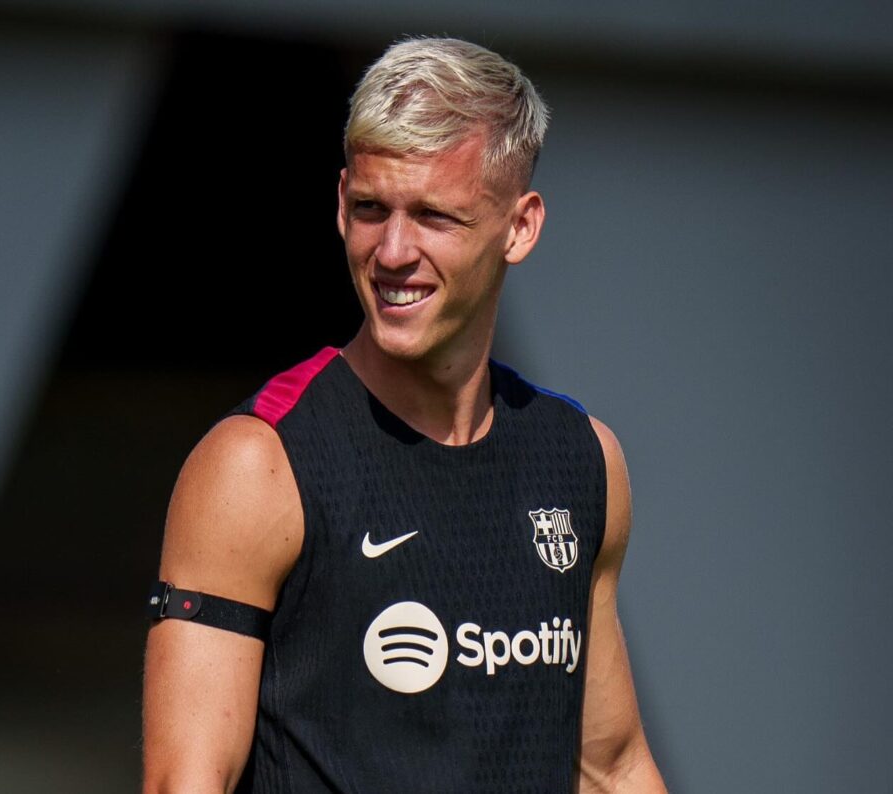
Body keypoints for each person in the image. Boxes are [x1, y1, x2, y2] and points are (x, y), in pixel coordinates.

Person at [142, 36, 666, 793]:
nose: (392, 251)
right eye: (370, 209)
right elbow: (183, 784)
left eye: (433, 216)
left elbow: (610, 768)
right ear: (339, 203)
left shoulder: (581, 461)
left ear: (520, 227)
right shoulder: (258, 464)